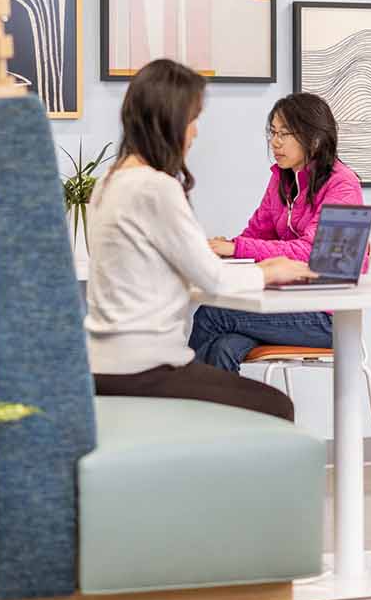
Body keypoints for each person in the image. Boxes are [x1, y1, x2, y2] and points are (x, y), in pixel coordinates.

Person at [84, 60, 312, 419]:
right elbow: (213, 279)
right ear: (169, 121)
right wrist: (270, 271)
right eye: (192, 120)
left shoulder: (107, 183)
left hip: (101, 366)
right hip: (145, 370)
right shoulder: (156, 188)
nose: (194, 133)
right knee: (276, 407)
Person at [189, 93, 365, 373]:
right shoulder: (282, 180)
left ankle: (179, 395)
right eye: (273, 132)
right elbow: (257, 234)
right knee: (224, 347)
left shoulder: (344, 186)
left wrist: (236, 248)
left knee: (212, 314)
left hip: (329, 317)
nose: (275, 142)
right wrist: (223, 250)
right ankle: (219, 403)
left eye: (285, 133)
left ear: (314, 138)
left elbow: (314, 254)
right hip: (288, 305)